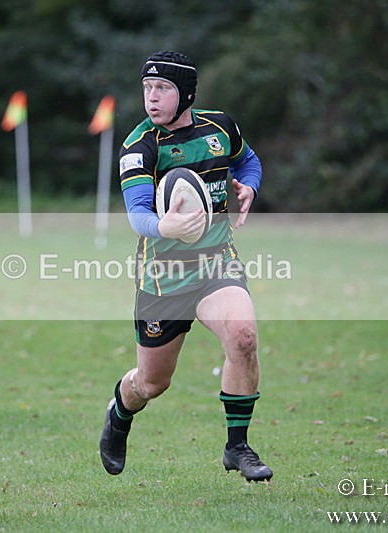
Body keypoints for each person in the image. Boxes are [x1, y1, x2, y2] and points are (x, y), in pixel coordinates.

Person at [99, 50, 272, 482]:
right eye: (147, 88)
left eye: (162, 88)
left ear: (187, 94)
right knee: (152, 383)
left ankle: (237, 447)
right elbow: (138, 213)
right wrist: (165, 226)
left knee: (243, 336)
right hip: (164, 278)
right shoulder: (139, 146)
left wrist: (249, 187)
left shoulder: (221, 127)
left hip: (217, 262)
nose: (151, 98)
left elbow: (249, 161)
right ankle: (119, 414)